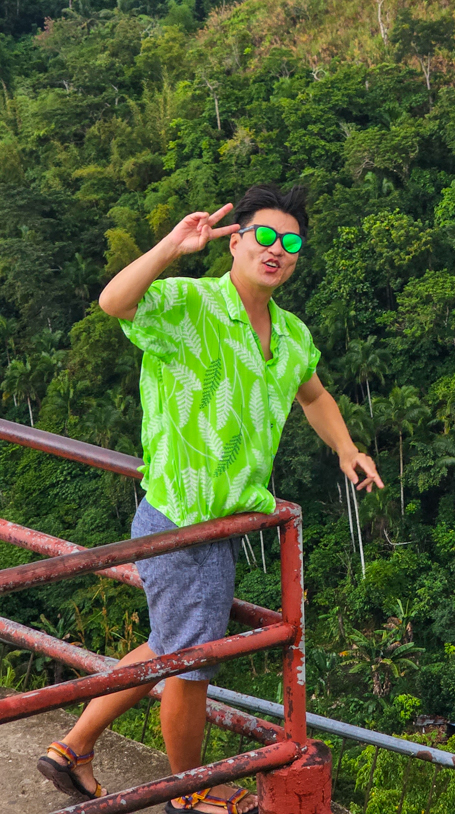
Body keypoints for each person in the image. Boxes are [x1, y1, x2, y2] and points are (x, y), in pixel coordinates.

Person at [37, 183, 382, 814]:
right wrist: (172, 244)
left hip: (217, 524)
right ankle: (189, 794)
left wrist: (346, 449)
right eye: (265, 236)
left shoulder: (290, 333)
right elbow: (114, 302)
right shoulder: (191, 304)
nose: (277, 250)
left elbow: (314, 396)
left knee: (172, 643)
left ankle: (74, 747)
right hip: (181, 520)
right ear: (238, 240)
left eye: (292, 241)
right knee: (190, 663)